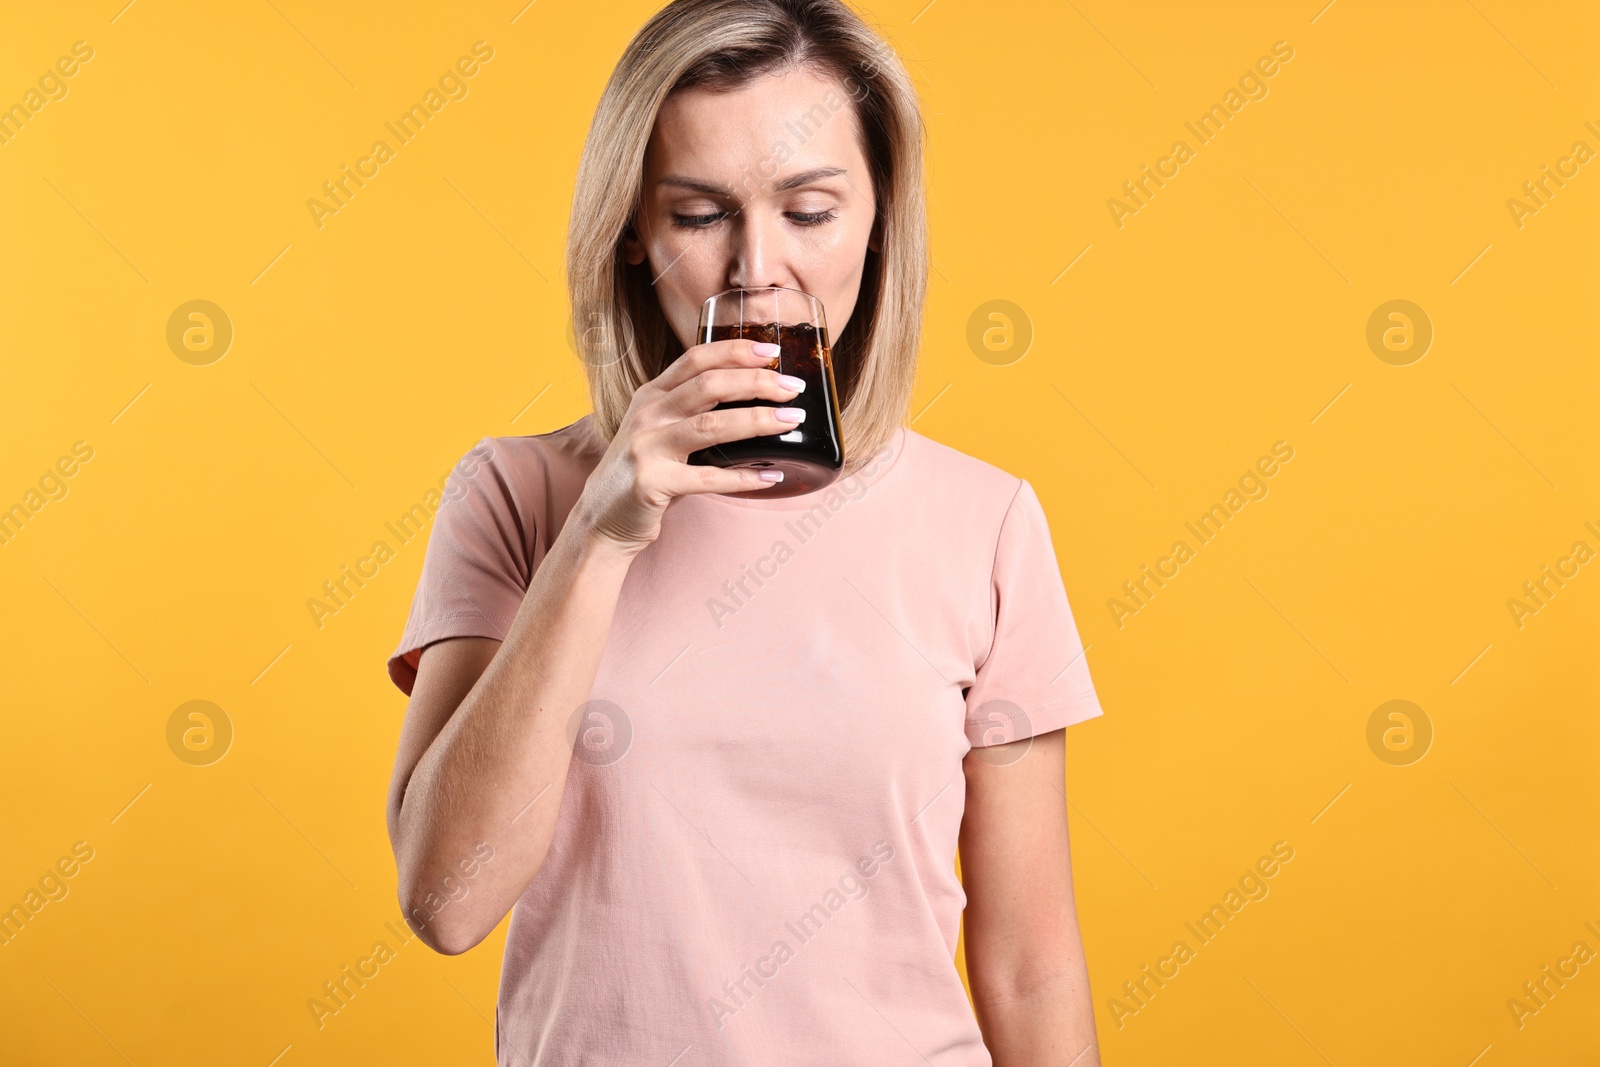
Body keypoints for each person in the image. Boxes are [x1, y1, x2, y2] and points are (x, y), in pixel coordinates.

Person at [384, 1, 1105, 1063]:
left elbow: (1029, 965)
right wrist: (598, 533)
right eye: (698, 213)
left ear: (878, 217)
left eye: (809, 211)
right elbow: (446, 901)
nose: (754, 270)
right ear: (632, 233)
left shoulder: (984, 522)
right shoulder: (518, 494)